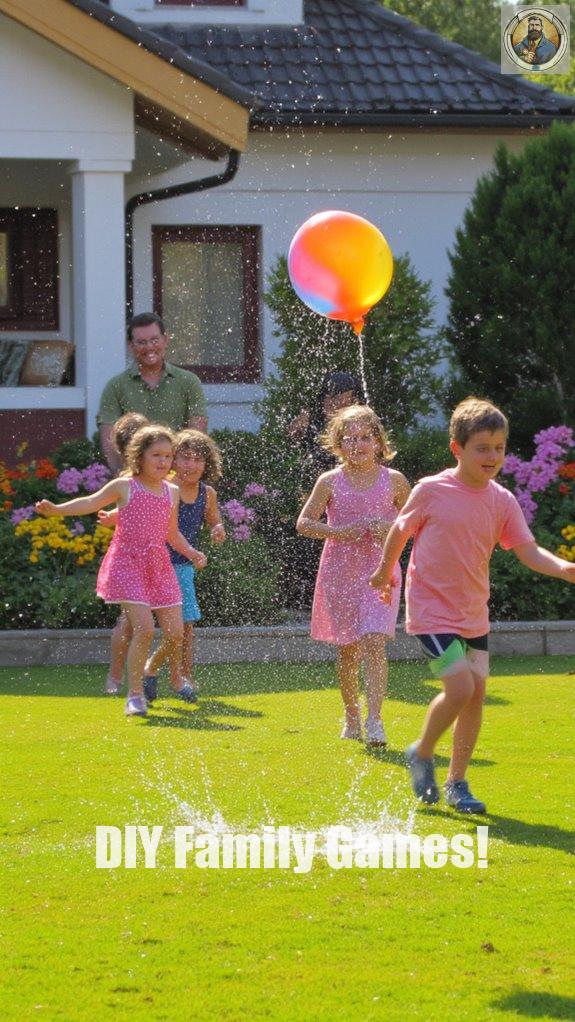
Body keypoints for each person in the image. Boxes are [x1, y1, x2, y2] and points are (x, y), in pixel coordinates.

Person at [370, 397, 575, 813]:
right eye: (482, 447)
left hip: (472, 612)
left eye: (499, 447)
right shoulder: (431, 490)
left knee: (476, 694)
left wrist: (567, 568)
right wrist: (383, 572)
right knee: (460, 686)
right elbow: (400, 528)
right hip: (430, 610)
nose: (492, 456)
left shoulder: (501, 500)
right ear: (457, 448)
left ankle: (457, 783)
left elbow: (529, 551)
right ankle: (423, 751)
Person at [35, 425, 207, 718]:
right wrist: (57, 510)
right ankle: (135, 695)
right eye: (156, 455)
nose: (163, 462)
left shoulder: (173, 492)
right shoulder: (124, 486)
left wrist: (192, 552)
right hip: (127, 564)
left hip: (159, 566)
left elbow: (172, 534)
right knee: (144, 628)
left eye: (168, 456)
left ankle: (151, 667)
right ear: (139, 457)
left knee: (176, 634)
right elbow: (90, 503)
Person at [297, 405, 411, 745]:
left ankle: (375, 721)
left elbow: (414, 524)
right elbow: (303, 524)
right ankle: (351, 716)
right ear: (337, 444)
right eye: (349, 439)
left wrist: (388, 527)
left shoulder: (395, 481)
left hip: (381, 569)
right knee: (348, 650)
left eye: (364, 437)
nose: (357, 445)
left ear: (378, 441)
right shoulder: (329, 481)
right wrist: (339, 531)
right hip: (340, 572)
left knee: (374, 641)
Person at [142, 430, 226, 703]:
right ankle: (145, 676)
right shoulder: (163, 487)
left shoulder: (207, 493)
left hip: (182, 568)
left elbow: (214, 520)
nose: (191, 465)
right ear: (174, 461)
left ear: (207, 463)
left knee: (185, 627)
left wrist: (217, 528)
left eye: (198, 459)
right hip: (154, 564)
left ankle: (178, 675)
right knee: (142, 625)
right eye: (185, 458)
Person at [97, 312, 208, 472]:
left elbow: (196, 434)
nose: (149, 347)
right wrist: (123, 476)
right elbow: (110, 440)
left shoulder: (189, 382)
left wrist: (179, 475)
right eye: (141, 342)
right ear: (130, 345)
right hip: (134, 477)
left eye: (154, 340)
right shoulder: (115, 386)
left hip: (177, 476)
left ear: (165, 340)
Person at [288, 370, 364, 604]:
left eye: (348, 400)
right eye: (336, 400)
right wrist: (296, 432)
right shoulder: (312, 422)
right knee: (313, 538)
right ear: (324, 400)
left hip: (348, 491)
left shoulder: (358, 427)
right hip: (318, 491)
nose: (342, 406)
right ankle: (308, 592)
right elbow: (293, 445)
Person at [103, 412, 150, 696]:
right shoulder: (127, 481)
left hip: (157, 556)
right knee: (131, 621)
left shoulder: (157, 473)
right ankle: (119, 674)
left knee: (140, 622)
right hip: (131, 557)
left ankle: (125, 674)